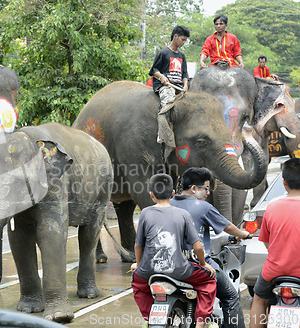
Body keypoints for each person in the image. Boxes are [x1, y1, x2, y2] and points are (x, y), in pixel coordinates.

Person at [131, 173, 216, 328]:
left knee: (137, 284)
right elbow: (197, 246)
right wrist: (203, 264)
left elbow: (138, 245)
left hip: (148, 271)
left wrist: (138, 264)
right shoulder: (182, 214)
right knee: (209, 282)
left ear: (151, 195)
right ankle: (201, 322)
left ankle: (150, 318)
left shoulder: (145, 213)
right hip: (179, 270)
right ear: (172, 194)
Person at [171, 167, 249, 328]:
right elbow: (227, 227)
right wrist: (242, 234)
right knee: (231, 296)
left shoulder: (168, 204)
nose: (208, 193)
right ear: (194, 188)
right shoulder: (203, 207)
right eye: (206, 188)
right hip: (195, 266)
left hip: (167, 266)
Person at [250, 158, 300, 328]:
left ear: (284, 183)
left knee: (258, 299)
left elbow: (266, 242)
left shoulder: (272, 206)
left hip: (274, 271)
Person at [149, 25, 190, 150]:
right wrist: (161, 76)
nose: (183, 43)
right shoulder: (163, 52)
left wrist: (185, 85)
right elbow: (153, 70)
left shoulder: (182, 56)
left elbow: (184, 74)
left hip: (178, 86)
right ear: (175, 36)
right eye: (182, 39)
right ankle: (163, 133)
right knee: (168, 101)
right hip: (165, 86)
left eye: (185, 41)